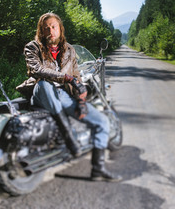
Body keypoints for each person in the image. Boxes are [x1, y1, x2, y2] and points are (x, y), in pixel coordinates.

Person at [19, 12, 121, 182]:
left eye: (54, 27)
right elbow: (36, 70)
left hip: (63, 96)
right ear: (41, 31)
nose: (50, 31)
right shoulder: (33, 47)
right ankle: (68, 134)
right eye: (46, 28)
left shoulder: (70, 50)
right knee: (45, 84)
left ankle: (98, 169)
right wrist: (65, 77)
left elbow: (77, 78)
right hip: (41, 93)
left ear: (60, 29)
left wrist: (81, 100)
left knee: (102, 122)